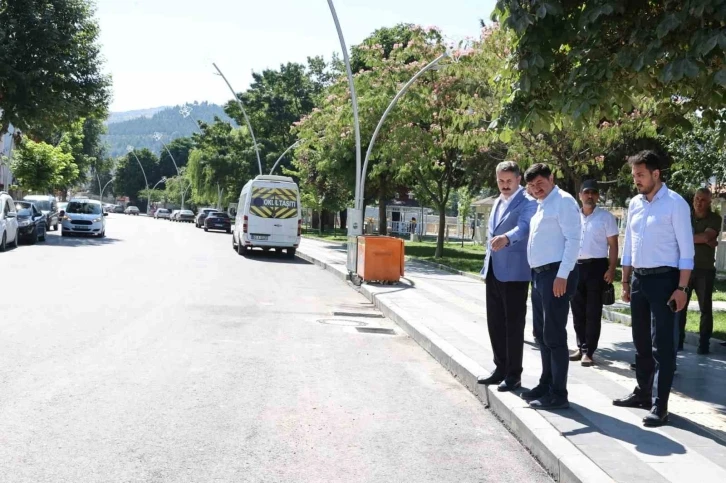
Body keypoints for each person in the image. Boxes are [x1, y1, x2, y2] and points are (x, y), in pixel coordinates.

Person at [614, 150, 694, 428]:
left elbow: (687, 251)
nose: (636, 180)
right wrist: (625, 280)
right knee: (641, 342)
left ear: (656, 174)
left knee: (664, 345)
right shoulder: (635, 203)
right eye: (634, 175)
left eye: (640, 175)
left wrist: (682, 288)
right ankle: (643, 393)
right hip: (639, 280)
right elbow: (628, 245)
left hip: (666, 281)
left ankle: (660, 405)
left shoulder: (675, 204)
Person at [521, 163, 581, 410]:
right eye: (532, 186)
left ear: (551, 178)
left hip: (556, 275)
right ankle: (546, 383)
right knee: (541, 334)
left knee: (554, 335)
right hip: (539, 276)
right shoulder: (541, 204)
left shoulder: (564, 202)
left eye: (540, 183)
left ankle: (559, 393)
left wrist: (562, 274)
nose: (537, 189)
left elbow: (574, 240)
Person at [477, 161, 538, 392]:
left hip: (515, 273)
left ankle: (514, 375)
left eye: (509, 181)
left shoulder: (528, 202)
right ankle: (499, 368)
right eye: (501, 181)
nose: (504, 185)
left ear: (519, 179)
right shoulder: (497, 202)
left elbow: (525, 228)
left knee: (513, 326)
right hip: (494, 269)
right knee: (495, 323)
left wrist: (507, 238)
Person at [569, 180, 619, 367]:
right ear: (580, 195)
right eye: (586, 192)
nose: (590, 196)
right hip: (575, 267)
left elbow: (613, 245)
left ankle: (589, 351)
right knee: (577, 310)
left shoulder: (606, 218)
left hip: (597, 268)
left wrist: (611, 268)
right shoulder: (573, 217)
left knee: (592, 311)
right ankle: (580, 346)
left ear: (597, 196)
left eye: (593, 193)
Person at [676, 188, 721, 354]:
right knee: (680, 307)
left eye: (703, 200)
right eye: (696, 198)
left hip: (705, 270)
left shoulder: (714, 218)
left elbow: (707, 237)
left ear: (709, 202)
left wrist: (703, 238)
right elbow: (703, 239)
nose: (698, 202)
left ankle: (704, 345)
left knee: (705, 309)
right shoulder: (686, 217)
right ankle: (678, 342)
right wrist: (704, 239)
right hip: (685, 269)